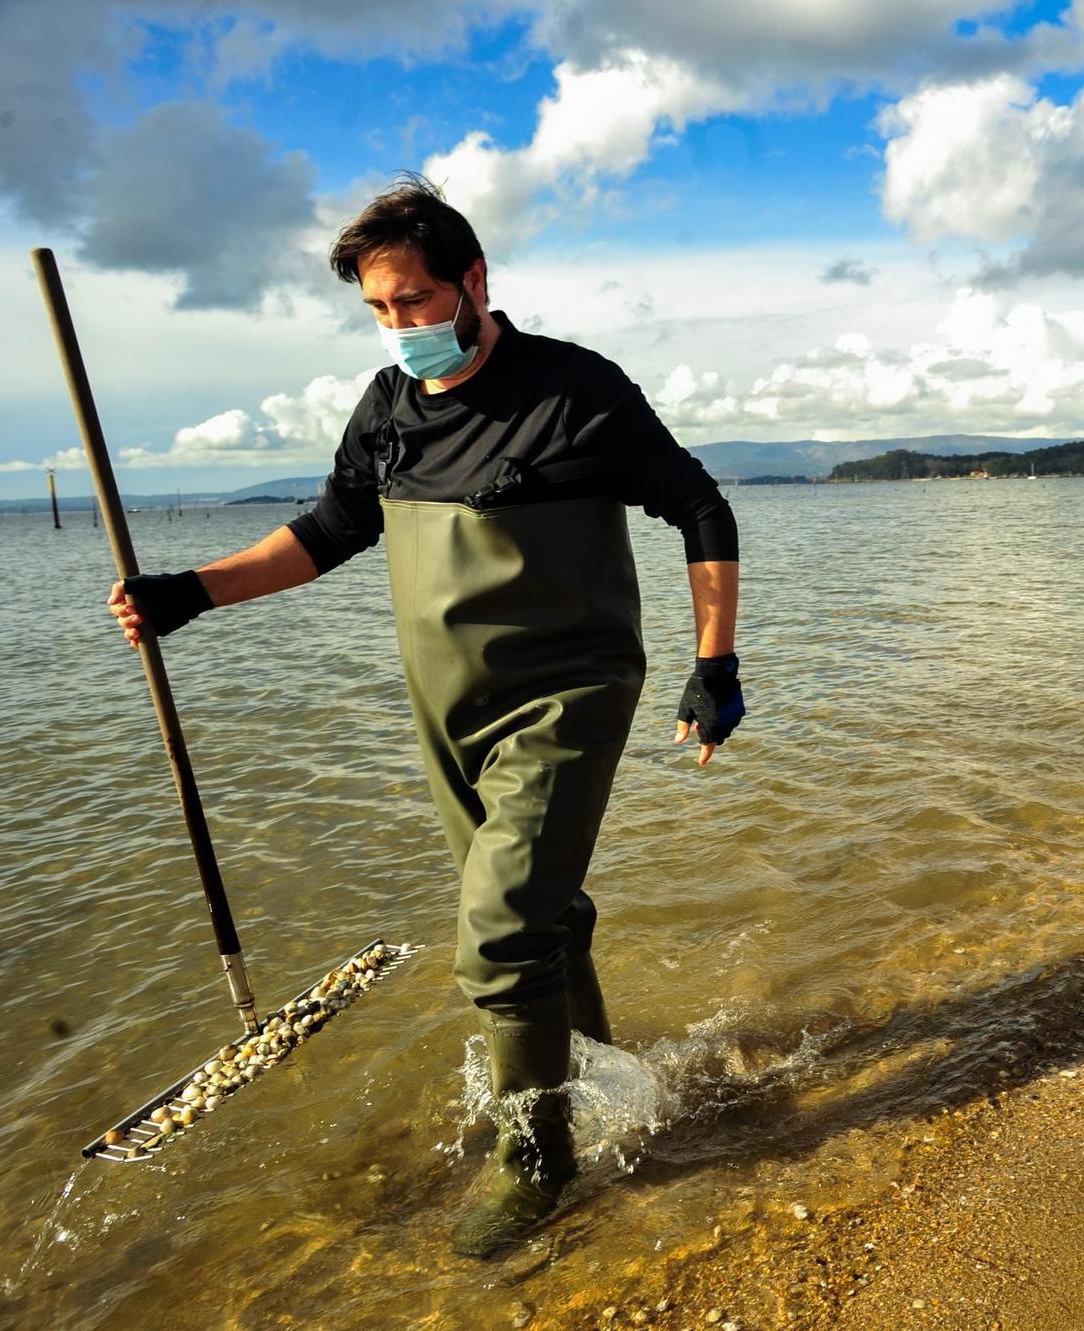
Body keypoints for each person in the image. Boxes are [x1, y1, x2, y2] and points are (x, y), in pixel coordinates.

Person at [105, 177, 746, 1255]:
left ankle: (534, 1149)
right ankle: (591, 1073)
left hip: (567, 693)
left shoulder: (575, 391)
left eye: (413, 300)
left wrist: (714, 661)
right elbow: (325, 530)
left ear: (474, 281)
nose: (401, 326)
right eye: (379, 310)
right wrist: (192, 590)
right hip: (448, 710)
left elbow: (698, 501)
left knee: (496, 936)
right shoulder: (388, 408)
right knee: (545, 915)